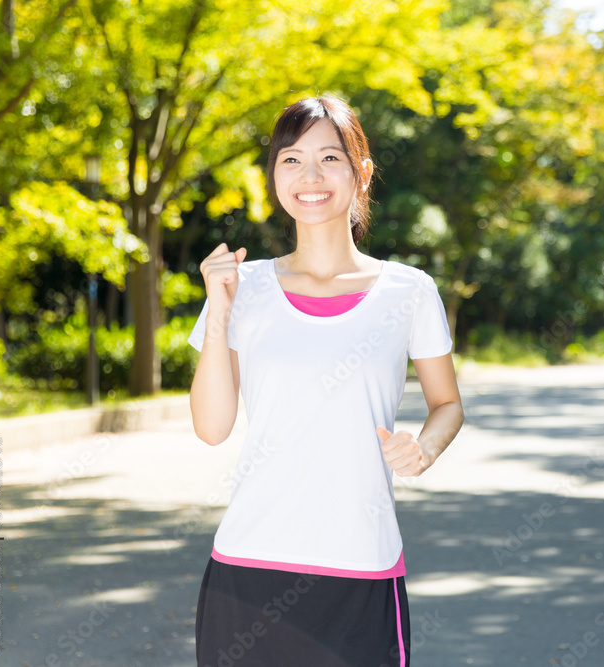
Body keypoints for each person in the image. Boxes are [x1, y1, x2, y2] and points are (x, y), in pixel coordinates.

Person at [186, 93, 465, 667]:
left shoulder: (408, 291)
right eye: (291, 159)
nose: (309, 176)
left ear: (361, 173)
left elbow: (446, 404)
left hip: (360, 567)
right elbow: (212, 428)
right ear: (274, 176)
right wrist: (218, 311)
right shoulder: (243, 286)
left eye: (329, 158)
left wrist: (425, 447)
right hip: (247, 567)